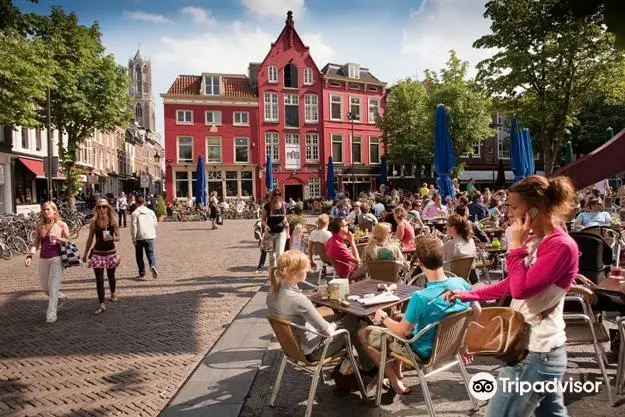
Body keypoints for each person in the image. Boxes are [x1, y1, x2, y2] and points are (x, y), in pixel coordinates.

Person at [444, 175, 579, 417]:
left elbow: (521, 290)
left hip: (536, 352)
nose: (509, 214)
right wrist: (468, 294)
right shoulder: (539, 241)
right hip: (539, 349)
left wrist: (515, 248)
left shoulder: (561, 245)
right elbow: (511, 283)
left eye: (515, 207)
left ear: (536, 209)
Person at [358, 234, 481, 394]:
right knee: (399, 318)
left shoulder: (420, 297)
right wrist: (464, 342)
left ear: (420, 263)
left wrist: (382, 317)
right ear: (442, 258)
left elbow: (403, 332)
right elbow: (477, 312)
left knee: (363, 333)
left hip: (421, 353)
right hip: (451, 346)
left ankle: (395, 383)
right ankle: (398, 370)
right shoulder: (461, 283)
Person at [267, 250, 373, 368]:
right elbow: (327, 332)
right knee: (355, 319)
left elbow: (293, 308)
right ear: (294, 272)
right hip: (315, 351)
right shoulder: (299, 299)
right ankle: (370, 365)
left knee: (347, 317)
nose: (307, 270)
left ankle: (365, 363)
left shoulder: (273, 291)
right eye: (304, 267)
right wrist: (335, 324)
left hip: (295, 347)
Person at [24, 201, 71, 323]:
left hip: (57, 258)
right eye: (44, 210)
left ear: (54, 211)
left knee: (53, 285)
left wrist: (59, 239)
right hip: (43, 258)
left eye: (48, 209)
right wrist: (30, 256)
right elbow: (36, 243)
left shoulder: (61, 225)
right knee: (45, 287)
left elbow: (68, 240)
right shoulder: (40, 226)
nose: (46, 211)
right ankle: (60, 296)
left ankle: (51, 314)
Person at [82, 198, 121, 315]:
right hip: (98, 253)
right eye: (99, 207)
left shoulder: (113, 221)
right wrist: (85, 253)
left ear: (108, 208)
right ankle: (102, 304)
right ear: (96, 209)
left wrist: (112, 238)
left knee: (111, 276)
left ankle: (113, 292)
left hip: (110, 252)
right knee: (99, 280)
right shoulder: (93, 223)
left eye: (104, 206)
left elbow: (118, 237)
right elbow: (90, 239)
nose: (102, 209)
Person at [131, 196, 159, 279]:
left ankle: (142, 272)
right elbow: (155, 224)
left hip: (139, 237)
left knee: (139, 256)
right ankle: (153, 265)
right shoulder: (151, 212)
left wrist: (133, 239)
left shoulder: (135, 213)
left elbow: (134, 227)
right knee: (150, 253)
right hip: (149, 236)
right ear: (144, 202)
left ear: (136, 203)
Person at [262, 189, 288, 268]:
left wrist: (286, 223)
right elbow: (263, 219)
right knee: (272, 256)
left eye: (278, 195)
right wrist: (266, 226)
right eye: (275, 195)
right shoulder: (267, 206)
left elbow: (284, 217)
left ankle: (280, 272)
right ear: (272, 196)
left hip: (281, 232)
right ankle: (272, 273)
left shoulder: (283, 205)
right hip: (270, 233)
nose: (277, 196)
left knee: (279, 254)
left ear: (280, 196)